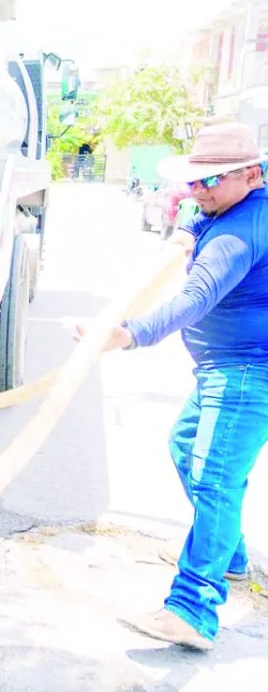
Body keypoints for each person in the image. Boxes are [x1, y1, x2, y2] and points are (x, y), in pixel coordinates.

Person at [78, 123, 267, 651]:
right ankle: (228, 557)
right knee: (187, 449)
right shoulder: (228, 209)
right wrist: (191, 219)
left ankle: (191, 609)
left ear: (252, 174)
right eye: (194, 181)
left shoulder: (238, 232)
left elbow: (195, 297)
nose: (198, 191)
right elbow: (195, 219)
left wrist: (129, 333)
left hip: (247, 371)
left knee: (215, 478)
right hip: (225, 368)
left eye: (211, 182)